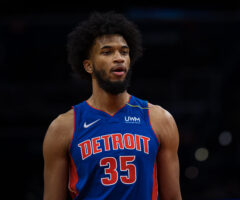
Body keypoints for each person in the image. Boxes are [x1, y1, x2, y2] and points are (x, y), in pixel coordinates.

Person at [43, 11, 182, 200]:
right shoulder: (63, 127)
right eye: (107, 52)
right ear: (88, 66)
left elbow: (173, 197)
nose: (119, 58)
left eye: (124, 52)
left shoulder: (159, 119)